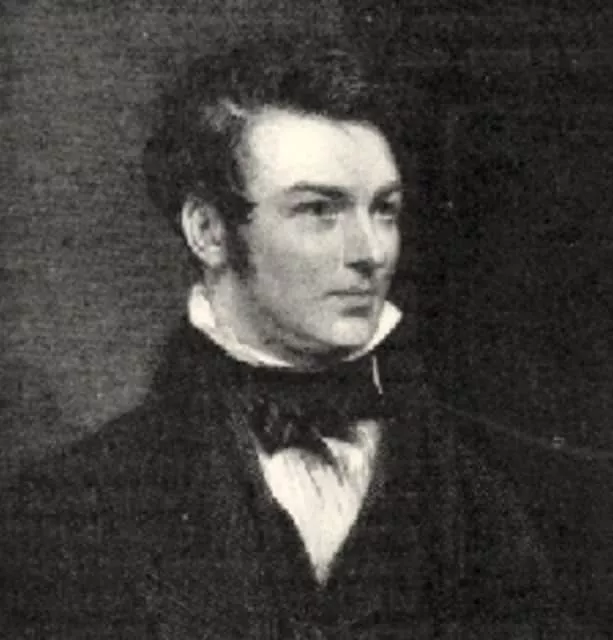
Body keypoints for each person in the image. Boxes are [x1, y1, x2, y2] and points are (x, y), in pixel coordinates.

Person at [0, 37, 603, 639]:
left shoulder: (484, 487)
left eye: (385, 210)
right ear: (208, 231)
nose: (370, 253)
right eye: (319, 210)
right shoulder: (70, 506)